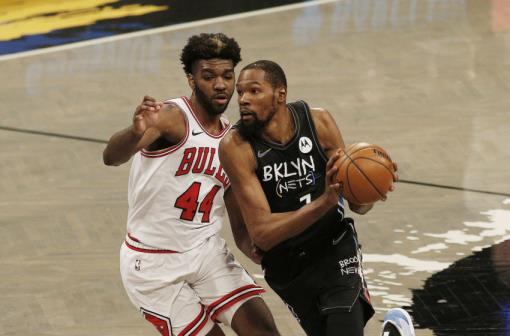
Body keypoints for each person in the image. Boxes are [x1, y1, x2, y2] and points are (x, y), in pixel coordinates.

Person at [103, 34, 279, 336]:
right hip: (154, 265)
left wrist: (268, 254)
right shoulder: (172, 118)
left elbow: (239, 226)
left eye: (227, 75)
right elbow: (112, 157)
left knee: (264, 331)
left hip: (206, 253)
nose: (220, 84)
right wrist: (135, 132)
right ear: (191, 79)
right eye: (208, 76)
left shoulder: (233, 140)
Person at [219, 60, 399, 336]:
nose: (243, 100)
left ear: (280, 94)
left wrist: (373, 189)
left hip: (334, 246)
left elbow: (357, 205)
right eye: (240, 92)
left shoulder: (319, 123)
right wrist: (325, 202)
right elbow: (263, 235)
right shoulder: (236, 147)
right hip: (286, 264)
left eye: (254, 91)